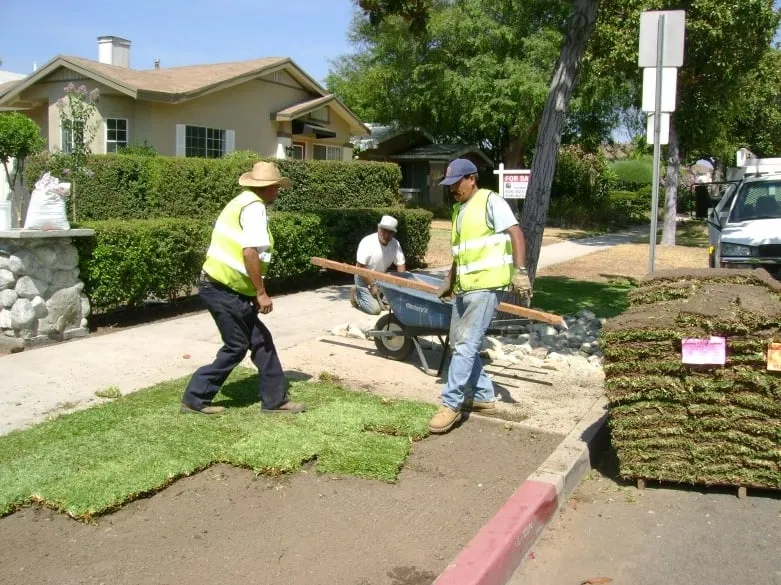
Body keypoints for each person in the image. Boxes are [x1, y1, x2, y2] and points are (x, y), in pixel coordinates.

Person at [180, 161, 305, 415]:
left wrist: (252, 291)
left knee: (261, 341)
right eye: (276, 188)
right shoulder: (254, 208)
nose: (278, 193)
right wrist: (260, 292)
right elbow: (250, 252)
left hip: (225, 288)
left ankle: (274, 401)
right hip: (220, 288)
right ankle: (195, 398)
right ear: (267, 188)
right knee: (236, 345)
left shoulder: (242, 202)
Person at [429, 158, 531, 434]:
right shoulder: (460, 209)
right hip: (464, 286)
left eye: (457, 183)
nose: (453, 189)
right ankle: (484, 396)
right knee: (460, 343)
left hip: (487, 286)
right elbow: (461, 252)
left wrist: (521, 272)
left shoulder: (490, 201)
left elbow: (515, 232)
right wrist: (450, 280)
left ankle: (451, 404)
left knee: (466, 345)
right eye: (450, 185)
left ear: (472, 178)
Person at [350, 215, 407, 315]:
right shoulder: (367, 242)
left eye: (390, 232)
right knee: (375, 310)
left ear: (393, 233)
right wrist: (371, 285)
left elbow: (401, 264)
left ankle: (380, 295)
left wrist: (401, 285)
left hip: (380, 277)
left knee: (394, 303)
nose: (386, 234)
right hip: (363, 277)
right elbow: (361, 267)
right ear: (379, 229)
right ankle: (356, 294)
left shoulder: (395, 244)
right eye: (384, 230)